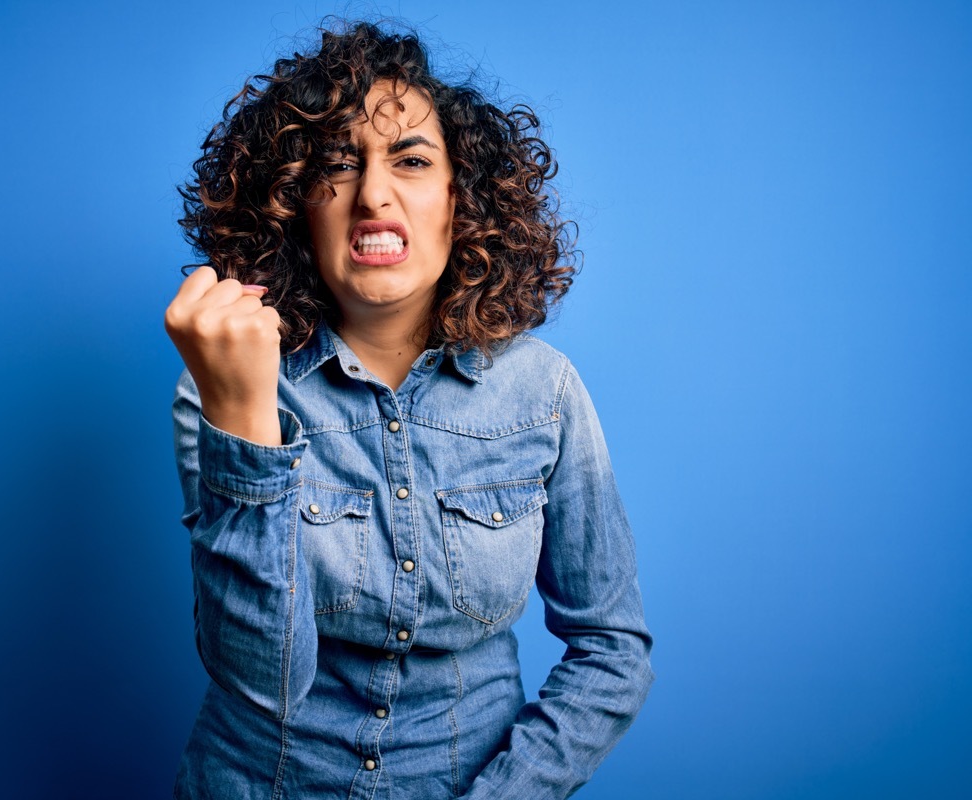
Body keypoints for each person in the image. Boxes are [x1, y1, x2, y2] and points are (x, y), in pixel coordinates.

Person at [164, 20, 653, 799]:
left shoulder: (545, 392)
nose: (374, 194)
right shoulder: (220, 388)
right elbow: (262, 684)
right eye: (337, 164)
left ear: (463, 199)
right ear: (293, 206)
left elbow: (612, 650)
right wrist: (243, 420)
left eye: (412, 161)